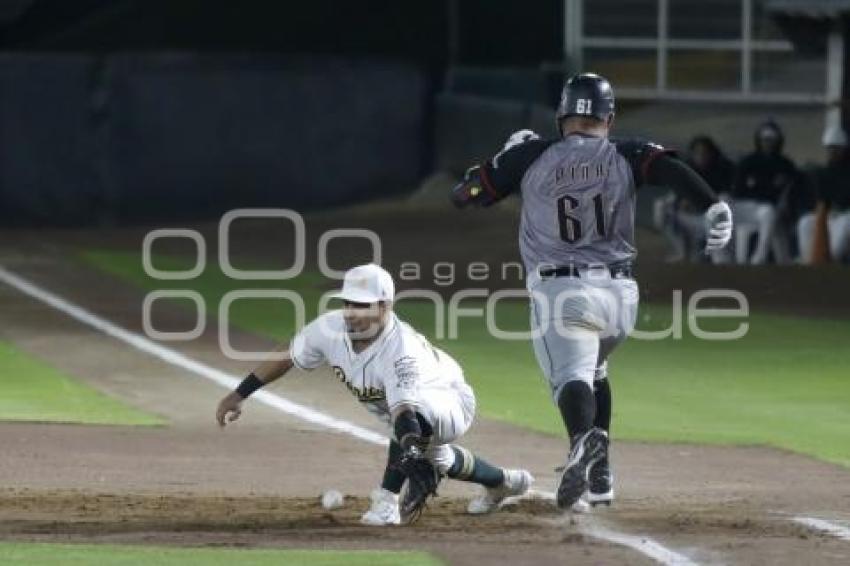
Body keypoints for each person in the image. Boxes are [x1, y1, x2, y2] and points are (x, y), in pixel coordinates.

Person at [451, 73, 732, 510]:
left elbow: (465, 195)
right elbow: (671, 170)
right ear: (610, 117)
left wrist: (504, 158)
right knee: (595, 372)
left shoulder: (531, 154)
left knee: (570, 381)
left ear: (563, 115)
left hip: (564, 292)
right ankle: (601, 476)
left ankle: (584, 444)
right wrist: (713, 205)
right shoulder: (627, 152)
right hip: (621, 299)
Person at [215, 263, 533, 526]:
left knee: (414, 427)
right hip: (409, 414)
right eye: (348, 303)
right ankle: (505, 482)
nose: (351, 313)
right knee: (440, 458)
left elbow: (405, 412)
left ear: (385, 306)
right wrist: (239, 394)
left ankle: (386, 503)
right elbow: (289, 353)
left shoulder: (400, 351)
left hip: (448, 400)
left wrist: (409, 449)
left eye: (362, 305)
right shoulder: (330, 328)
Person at [653, 135, 734, 261]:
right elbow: (676, 195)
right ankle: (682, 251)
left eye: (705, 153)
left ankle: (720, 258)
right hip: (692, 219)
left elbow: (726, 197)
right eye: (697, 153)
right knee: (661, 207)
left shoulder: (722, 167)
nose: (701, 156)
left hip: (715, 222)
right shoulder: (688, 168)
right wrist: (681, 200)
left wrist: (696, 200)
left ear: (712, 153)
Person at [730, 120, 800, 264]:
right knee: (751, 222)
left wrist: (758, 185)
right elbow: (738, 190)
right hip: (748, 208)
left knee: (769, 213)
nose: (768, 143)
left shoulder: (785, 164)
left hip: (774, 211)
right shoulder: (748, 162)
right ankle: (739, 261)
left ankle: (760, 256)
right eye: (765, 140)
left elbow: (791, 190)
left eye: (771, 140)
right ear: (759, 140)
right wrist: (767, 187)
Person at [797, 125, 850, 263]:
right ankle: (808, 261)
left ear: (843, 149)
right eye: (830, 148)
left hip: (844, 215)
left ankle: (832, 260)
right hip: (826, 215)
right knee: (805, 222)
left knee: (846, 223)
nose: (833, 151)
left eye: (836, 148)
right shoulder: (822, 173)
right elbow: (819, 198)